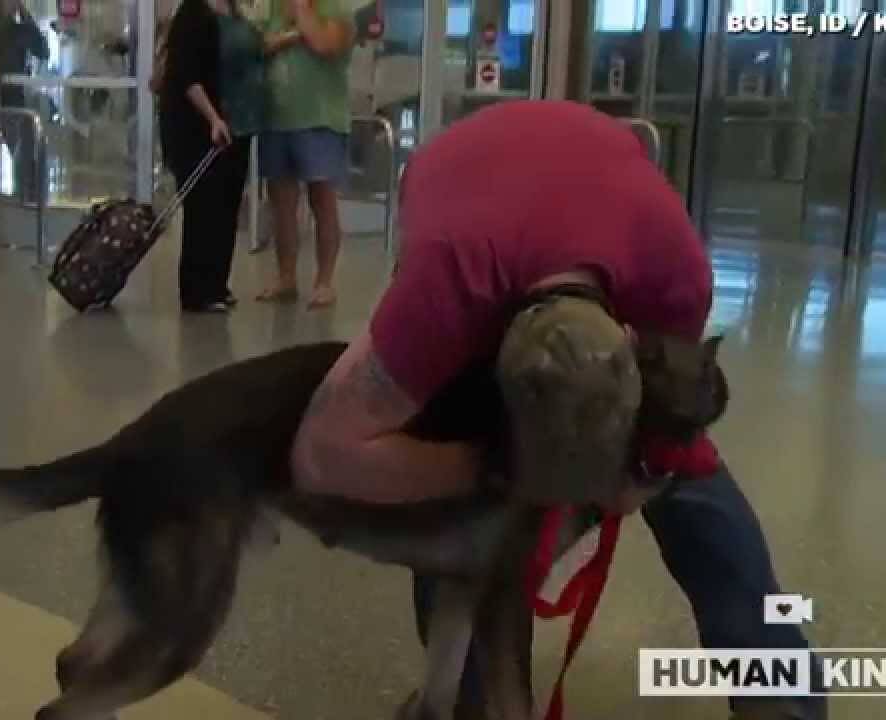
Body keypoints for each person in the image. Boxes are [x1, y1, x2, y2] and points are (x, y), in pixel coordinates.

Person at [289, 101, 824, 720]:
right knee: (451, 509)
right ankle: (467, 694)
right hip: (463, 193)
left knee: (703, 506)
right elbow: (321, 451)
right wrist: (486, 472)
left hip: (582, 192)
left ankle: (782, 697)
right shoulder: (440, 294)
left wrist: (639, 476)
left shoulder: (675, 277)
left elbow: (674, 430)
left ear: (631, 342)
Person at [159, 0, 268, 312]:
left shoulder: (236, 14)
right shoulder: (193, 14)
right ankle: (197, 289)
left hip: (237, 123)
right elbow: (187, 75)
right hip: (200, 127)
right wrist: (212, 118)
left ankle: (217, 283)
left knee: (227, 204)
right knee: (203, 207)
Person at [255, 0, 354, 309]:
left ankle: (324, 282)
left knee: (322, 200)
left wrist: (299, 12)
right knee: (281, 204)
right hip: (276, 119)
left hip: (320, 119)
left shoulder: (336, 9)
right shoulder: (270, 9)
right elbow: (259, 48)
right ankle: (286, 277)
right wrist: (289, 36)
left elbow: (324, 44)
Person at [0, 0, 49, 201]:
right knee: (19, 151)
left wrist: (25, 14)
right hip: (1, 97)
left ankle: (26, 197)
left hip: (13, 99)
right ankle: (25, 196)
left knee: (22, 153)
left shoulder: (18, 31)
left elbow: (43, 51)